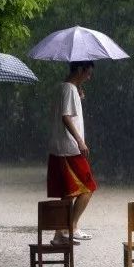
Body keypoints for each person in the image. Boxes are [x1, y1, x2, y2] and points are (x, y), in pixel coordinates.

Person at [47, 61, 97, 245]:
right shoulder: (68, 89)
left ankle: (59, 235)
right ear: (79, 70)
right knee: (88, 187)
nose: (89, 77)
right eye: (88, 73)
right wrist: (80, 141)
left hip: (59, 147)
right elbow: (66, 117)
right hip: (69, 148)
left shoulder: (63, 88)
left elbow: (63, 113)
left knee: (67, 193)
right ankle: (72, 226)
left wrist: (78, 93)